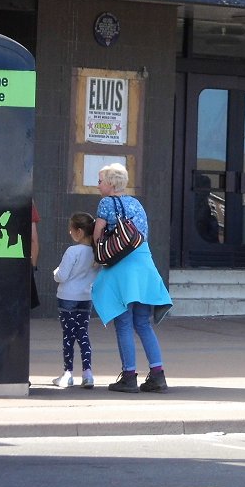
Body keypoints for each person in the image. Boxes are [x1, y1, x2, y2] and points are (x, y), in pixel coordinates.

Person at [91, 163, 174, 393]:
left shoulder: (106, 203)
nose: (98, 186)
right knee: (143, 325)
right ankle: (158, 375)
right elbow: (142, 235)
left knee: (124, 323)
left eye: (100, 181)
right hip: (144, 266)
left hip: (121, 268)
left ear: (110, 183)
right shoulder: (136, 203)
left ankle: (129, 376)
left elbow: (98, 235)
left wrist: (98, 255)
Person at [52, 212, 97, 389]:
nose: (69, 233)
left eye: (71, 230)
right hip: (86, 298)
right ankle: (88, 373)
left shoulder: (73, 251)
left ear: (78, 231)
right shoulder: (95, 252)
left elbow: (62, 276)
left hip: (67, 297)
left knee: (68, 336)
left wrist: (55, 273)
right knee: (83, 334)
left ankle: (67, 373)